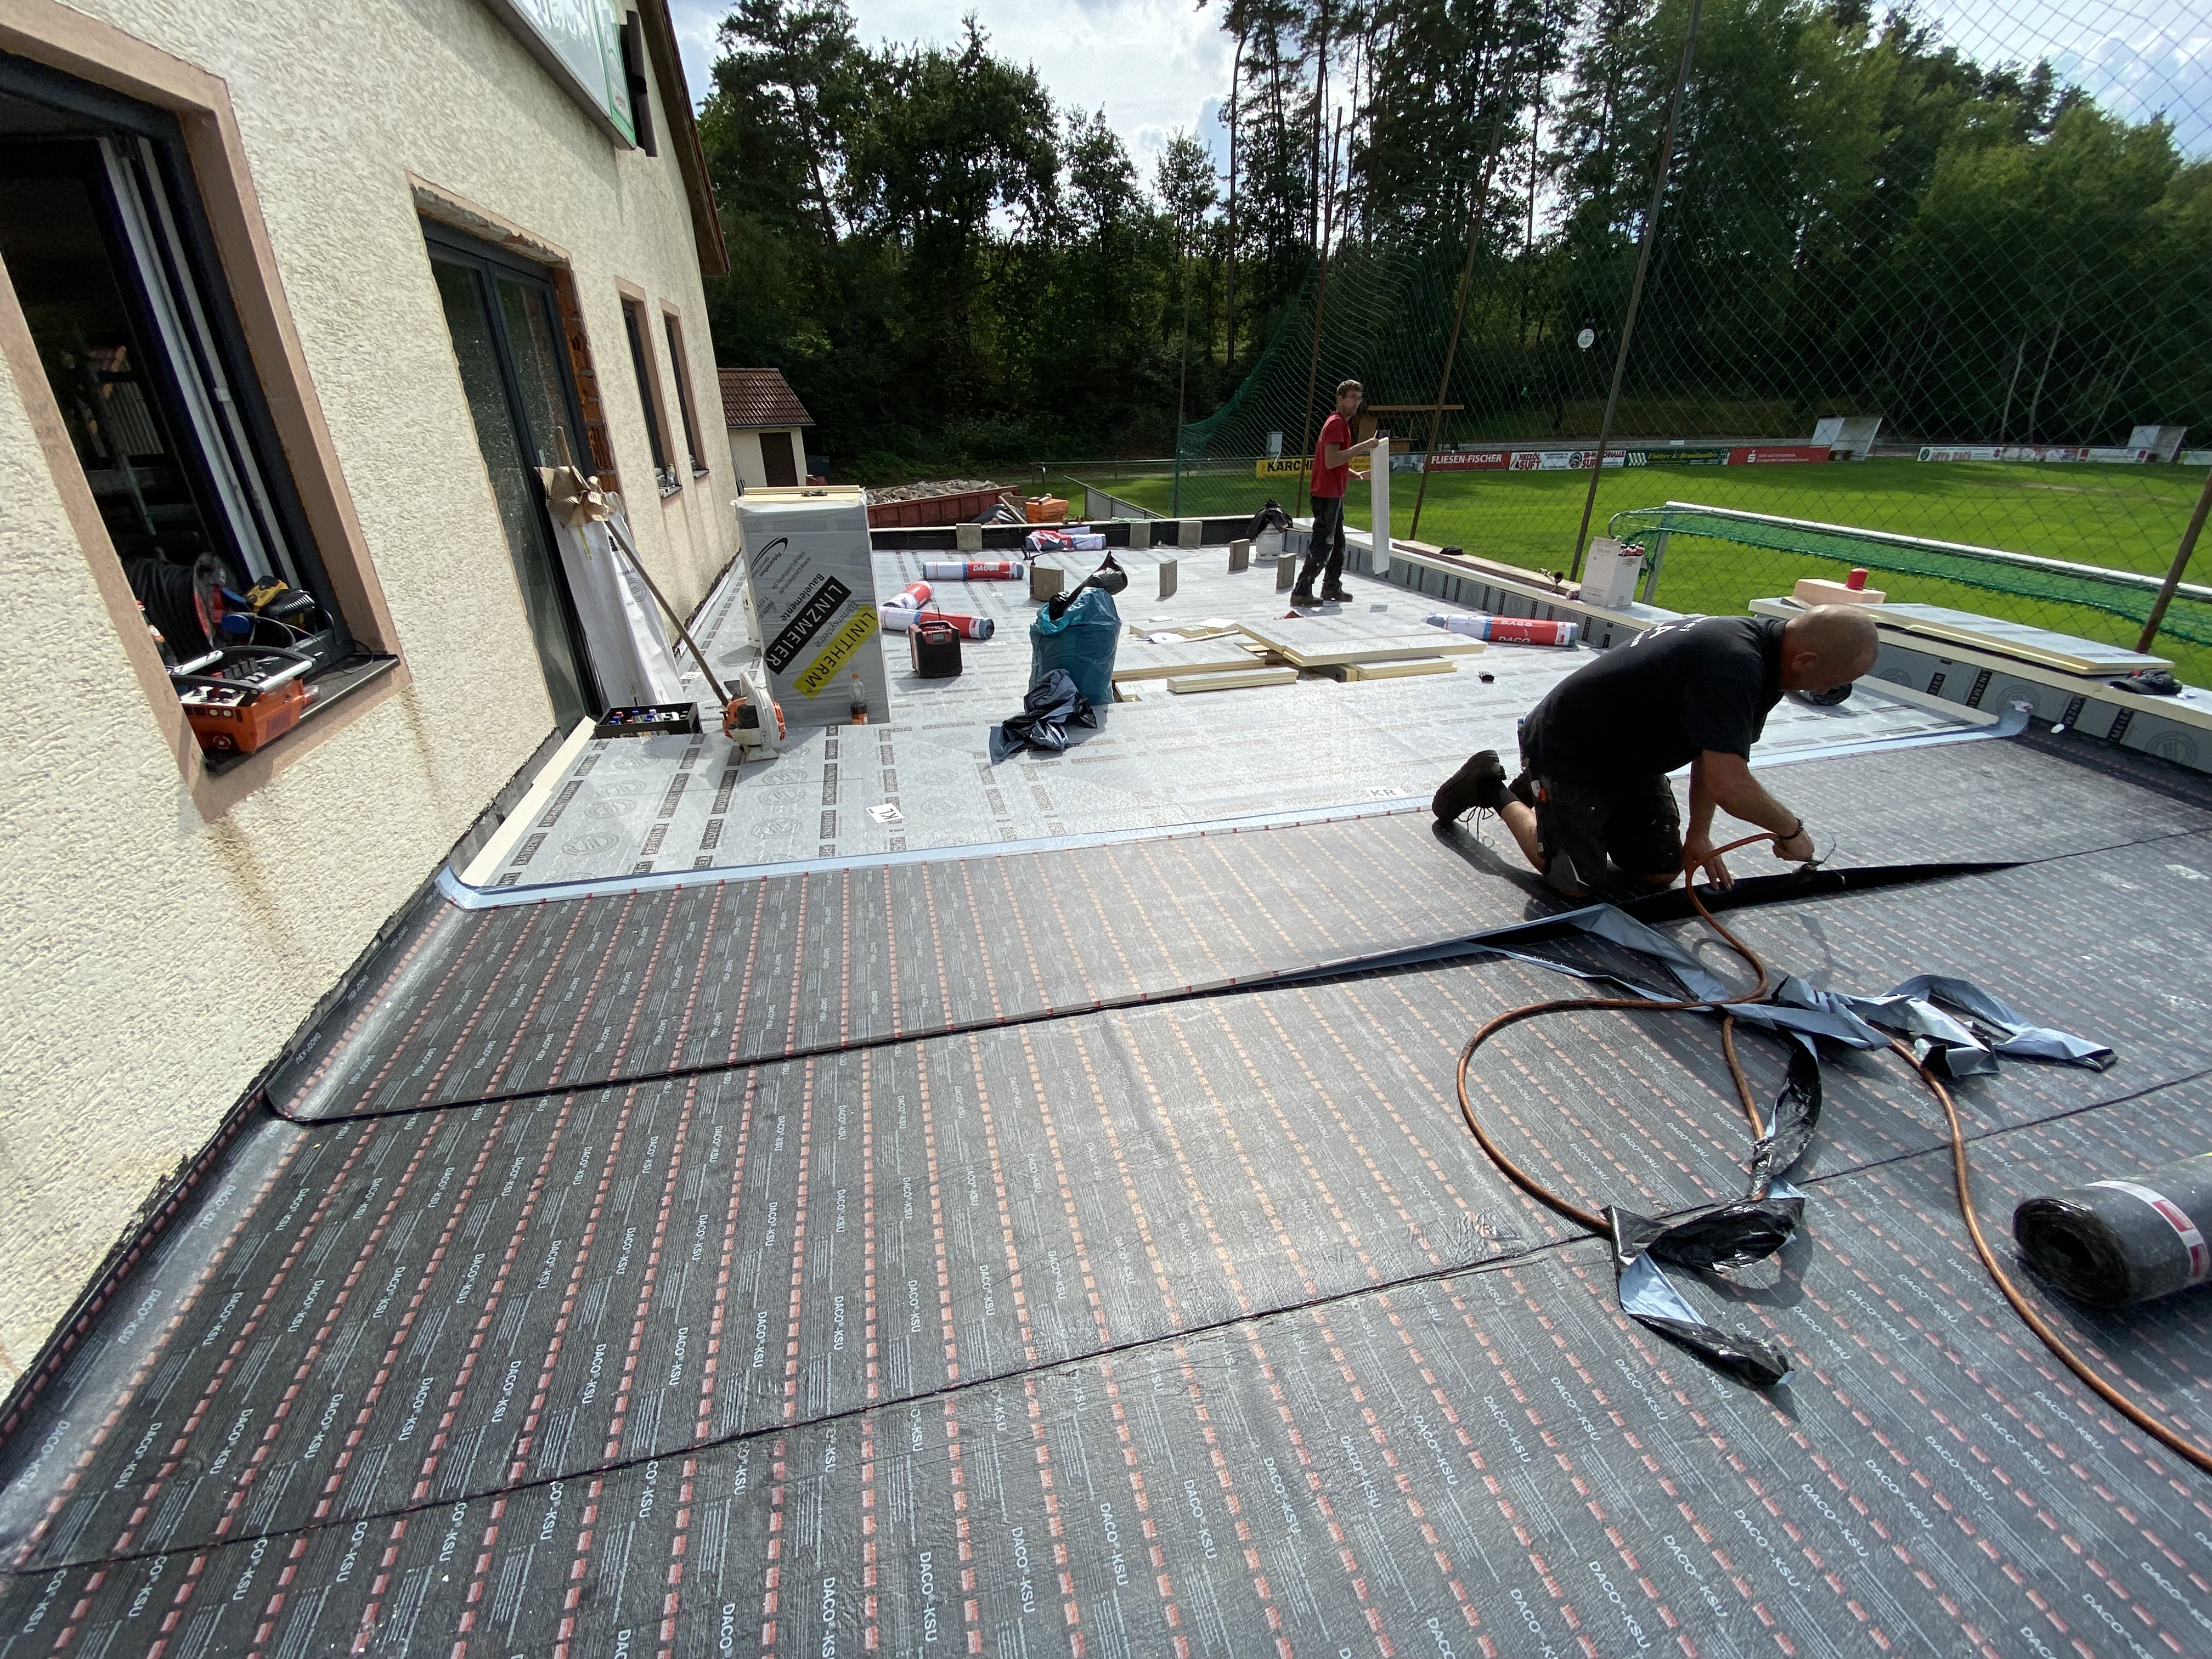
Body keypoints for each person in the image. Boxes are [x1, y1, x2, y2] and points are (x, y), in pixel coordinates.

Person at [1431, 605, 1882, 896]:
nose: (1830, 692)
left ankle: (1555, 806)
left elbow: (1717, 759)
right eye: (1835, 681)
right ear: (1806, 660)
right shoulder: (1732, 664)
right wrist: (1790, 830)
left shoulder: (1765, 664)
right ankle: (1493, 787)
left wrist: (1698, 836)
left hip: (1633, 759)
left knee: (1657, 874)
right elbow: (1731, 784)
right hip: (1570, 749)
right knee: (1577, 883)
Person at [1293, 380, 1385, 607]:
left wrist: (1354, 473)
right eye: (1351, 397)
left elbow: (1333, 461)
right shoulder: (1336, 424)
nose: (1355, 403)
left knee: (1338, 543)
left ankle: (1332, 585)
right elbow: (1332, 460)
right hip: (1326, 495)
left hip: (1332, 493)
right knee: (1323, 544)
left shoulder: (1338, 424)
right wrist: (1364, 447)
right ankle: (1302, 590)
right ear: (1340, 399)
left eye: (1359, 398)